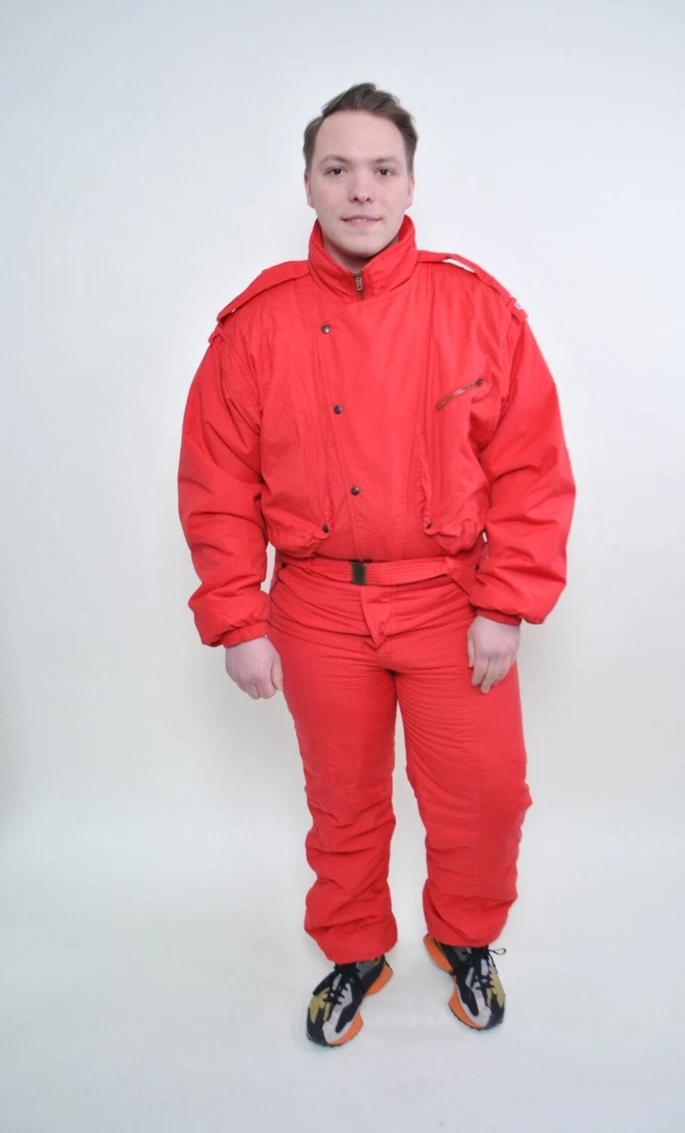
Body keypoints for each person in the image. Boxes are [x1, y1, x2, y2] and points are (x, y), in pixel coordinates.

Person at [177, 82, 575, 1048]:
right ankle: (354, 951)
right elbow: (216, 481)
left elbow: (531, 467)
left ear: (409, 183)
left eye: (382, 169)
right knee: (343, 803)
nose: (362, 189)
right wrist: (237, 618)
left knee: (484, 796)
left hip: (449, 600)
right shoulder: (257, 324)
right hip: (315, 606)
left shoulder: (475, 308)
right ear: (308, 185)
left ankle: (465, 937)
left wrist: (505, 603)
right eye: (338, 169)